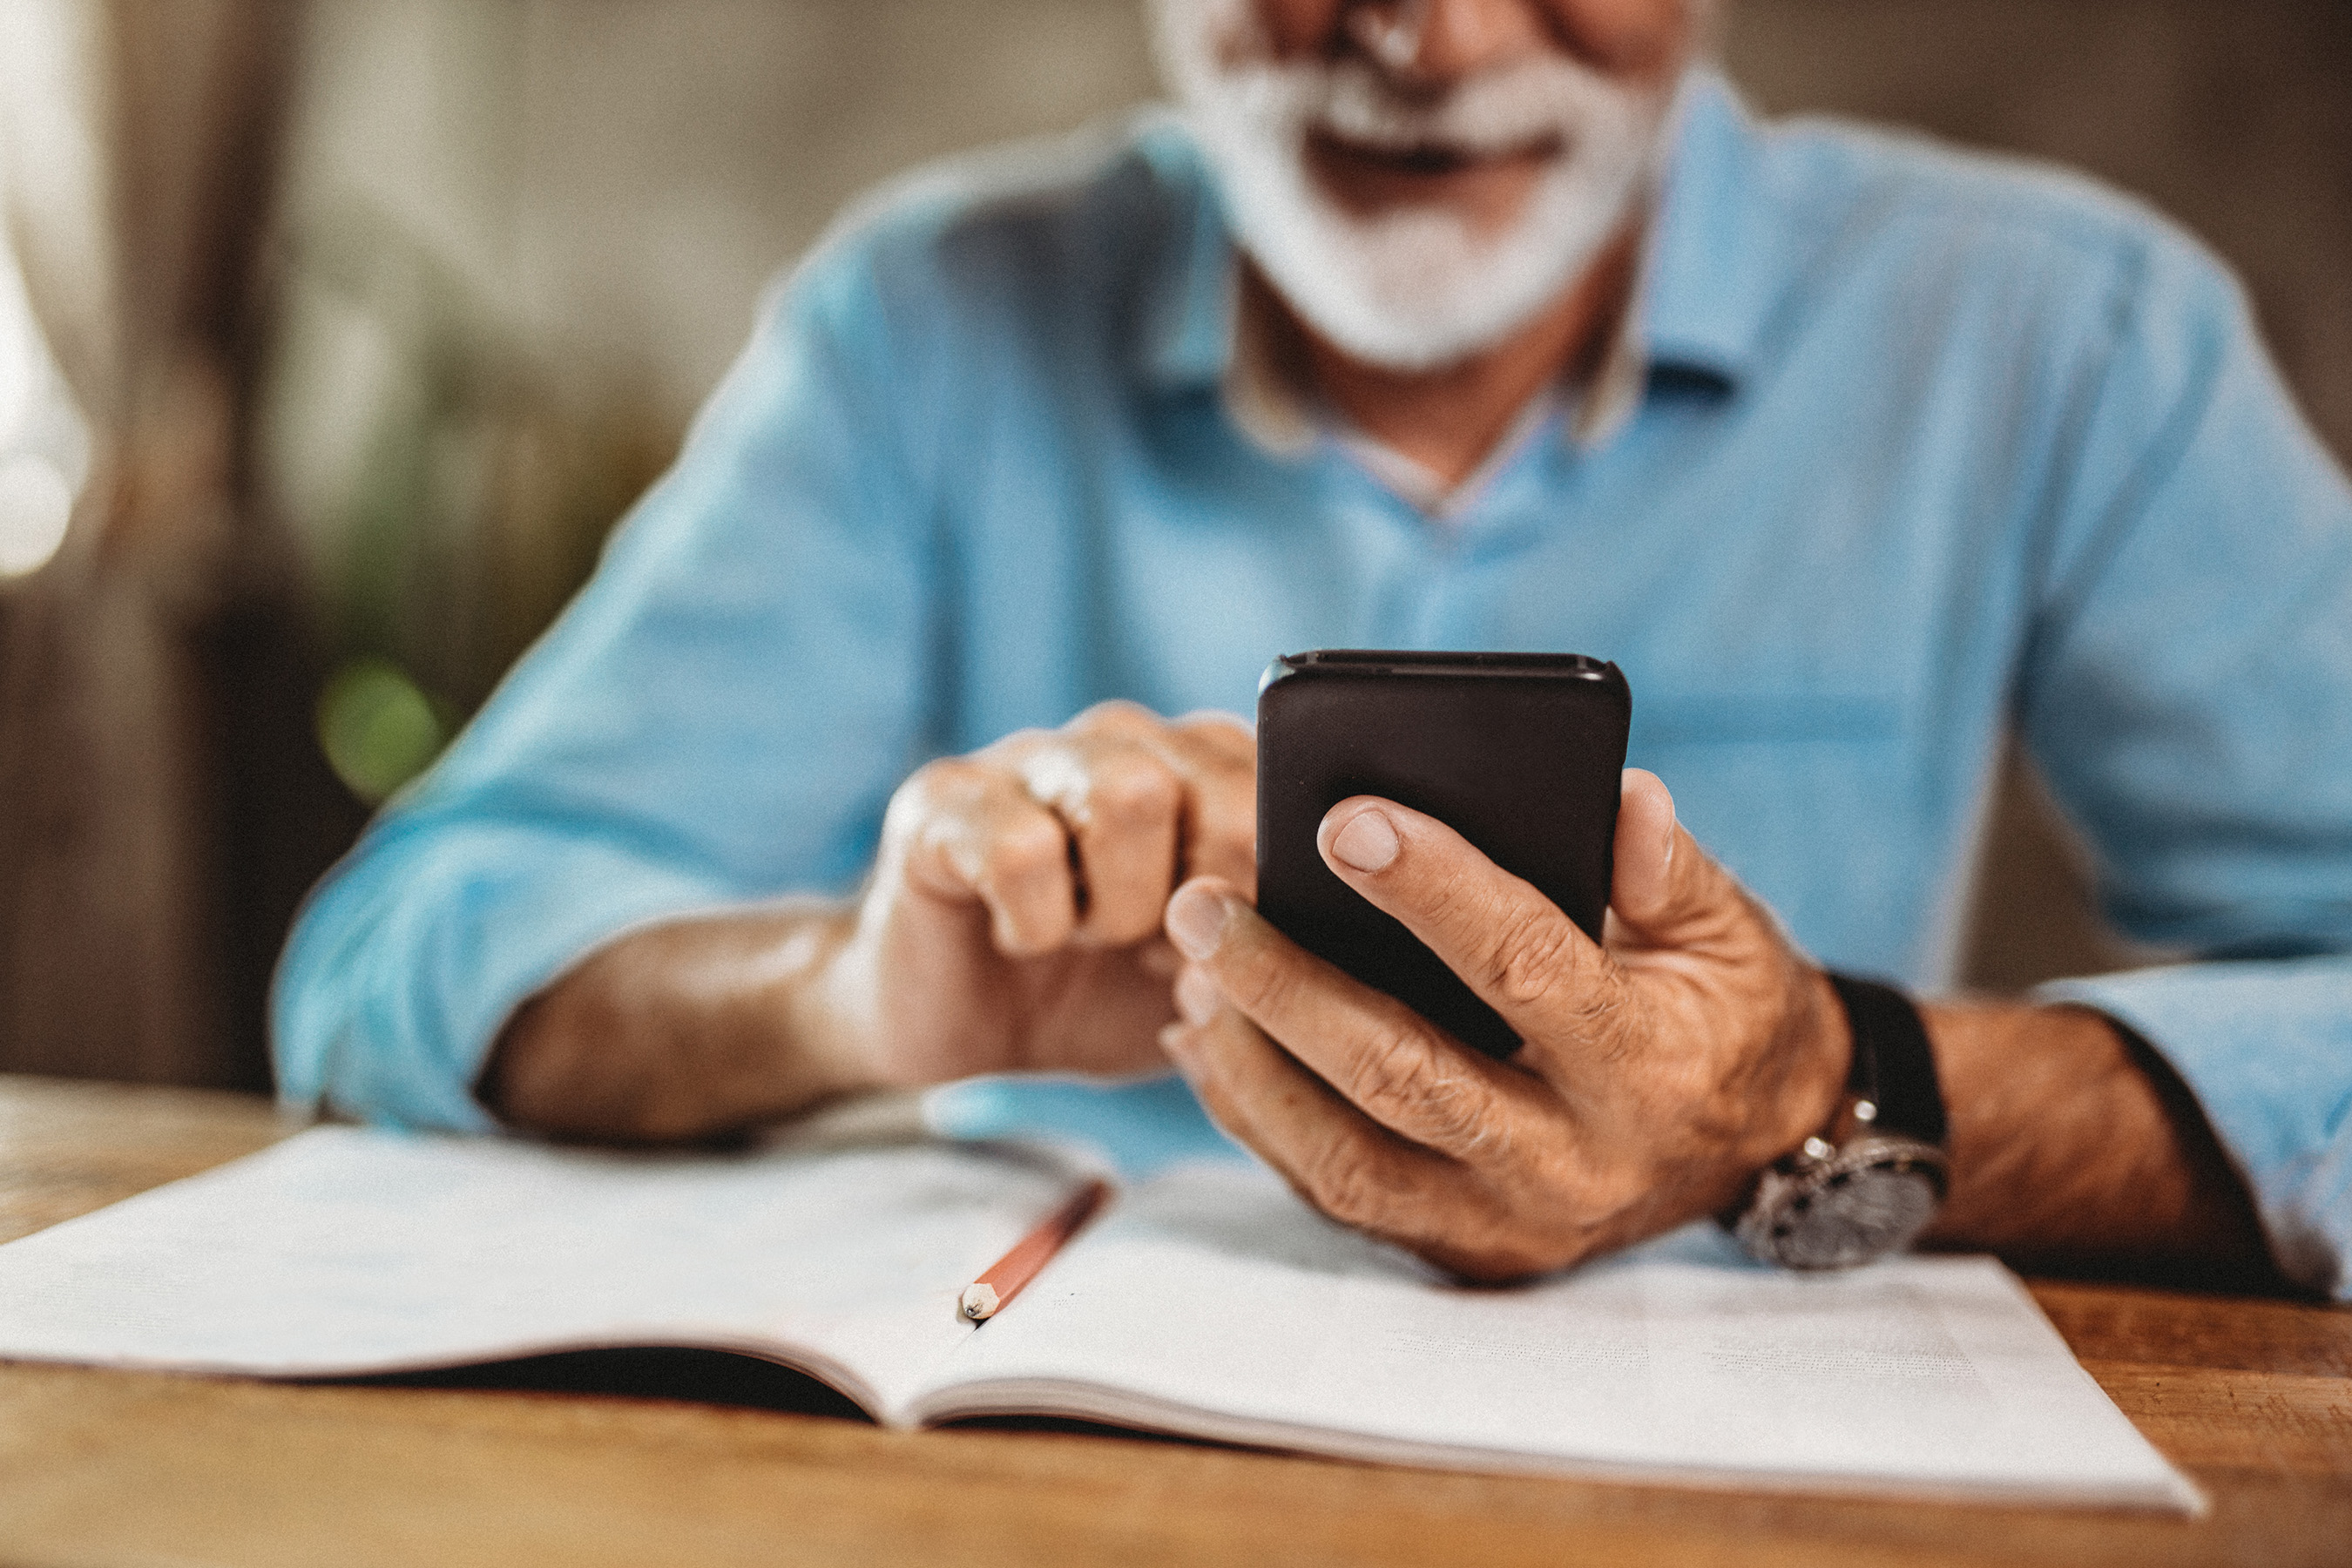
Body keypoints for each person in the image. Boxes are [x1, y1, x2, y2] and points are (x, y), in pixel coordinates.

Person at [275, 0, 2352, 1294]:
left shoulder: (2065, 334)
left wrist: (1826, 1088)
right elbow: (400, 953)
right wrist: (844, 995)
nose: (1427, 33)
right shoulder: (920, 325)